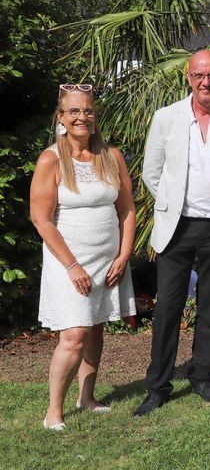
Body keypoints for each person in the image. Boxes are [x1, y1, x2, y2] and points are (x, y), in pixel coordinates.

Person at [135, 50, 210, 416]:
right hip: (178, 227)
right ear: (189, 77)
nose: (206, 81)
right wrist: (172, 204)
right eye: (199, 75)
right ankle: (157, 386)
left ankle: (202, 378)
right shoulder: (167, 118)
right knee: (168, 307)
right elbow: (151, 172)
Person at [30, 84, 136, 431]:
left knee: (95, 329)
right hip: (68, 261)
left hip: (107, 259)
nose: (82, 117)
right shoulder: (51, 160)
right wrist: (73, 265)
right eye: (73, 111)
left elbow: (127, 210)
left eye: (88, 110)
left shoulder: (112, 156)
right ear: (60, 117)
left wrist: (124, 254)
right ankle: (54, 411)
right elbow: (41, 219)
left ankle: (87, 397)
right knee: (74, 334)